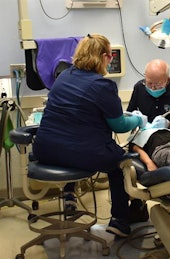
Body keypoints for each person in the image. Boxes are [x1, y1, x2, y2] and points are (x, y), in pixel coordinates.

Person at [32, 34, 148, 238]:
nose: (111, 60)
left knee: (76, 146)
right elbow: (120, 125)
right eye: (110, 56)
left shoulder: (64, 77)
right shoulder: (103, 85)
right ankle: (120, 221)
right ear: (103, 57)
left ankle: (70, 195)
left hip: (45, 150)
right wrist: (138, 120)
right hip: (80, 154)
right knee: (120, 163)